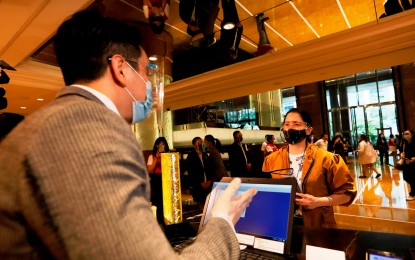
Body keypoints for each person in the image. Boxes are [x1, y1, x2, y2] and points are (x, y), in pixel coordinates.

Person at [0, 10, 257, 258]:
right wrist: (222, 222)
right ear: (120, 69)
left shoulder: (51, 122)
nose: (147, 84)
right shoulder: (89, 128)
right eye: (146, 71)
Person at [262, 108, 356, 228]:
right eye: (287, 124)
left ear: (308, 130)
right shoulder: (271, 160)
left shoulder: (328, 159)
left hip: (319, 224)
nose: (290, 128)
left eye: (297, 124)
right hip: (283, 224)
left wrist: (319, 202)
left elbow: (347, 193)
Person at [186, 137, 212, 204]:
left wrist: (209, 180)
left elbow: (209, 168)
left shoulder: (205, 154)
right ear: (194, 145)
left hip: (207, 184)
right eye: (198, 143)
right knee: (200, 204)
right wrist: (200, 184)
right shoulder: (191, 157)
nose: (200, 144)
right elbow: (191, 173)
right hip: (198, 186)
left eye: (201, 143)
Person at [400, 130, 415, 201]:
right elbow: (402, 150)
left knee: (412, 178)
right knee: (406, 177)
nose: (406, 135)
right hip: (407, 162)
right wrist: (402, 154)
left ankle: (412, 194)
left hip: (414, 162)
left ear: (411, 134)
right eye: (404, 134)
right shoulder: (404, 142)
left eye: (407, 134)